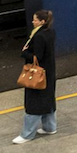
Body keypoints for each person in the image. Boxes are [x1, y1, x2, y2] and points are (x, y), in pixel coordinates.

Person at [13, 10, 57, 144]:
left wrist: (25, 53)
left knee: (34, 103)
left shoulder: (39, 36)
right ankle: (50, 127)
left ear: (42, 21)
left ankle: (27, 134)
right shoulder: (50, 32)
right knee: (48, 99)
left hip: (38, 75)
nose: (33, 22)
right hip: (49, 72)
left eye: (35, 20)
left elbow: (37, 57)